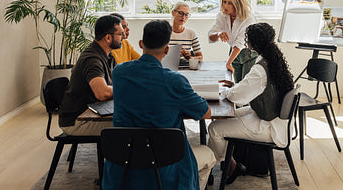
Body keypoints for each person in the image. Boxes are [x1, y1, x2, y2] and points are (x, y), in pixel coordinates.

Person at [102, 20, 216, 190]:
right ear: (167, 49)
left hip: (125, 160)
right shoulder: (175, 81)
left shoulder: (119, 73)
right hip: (166, 165)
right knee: (209, 155)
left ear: (141, 44)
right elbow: (205, 113)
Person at [207, 23, 294, 184]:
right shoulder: (272, 58)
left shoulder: (260, 68)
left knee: (214, 129)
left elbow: (238, 98)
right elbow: (248, 87)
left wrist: (225, 91)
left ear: (252, 43)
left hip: (269, 124)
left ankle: (221, 168)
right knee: (221, 119)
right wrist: (234, 87)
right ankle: (229, 162)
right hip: (271, 115)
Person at [58, 15, 123, 136]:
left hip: (91, 113)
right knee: (133, 124)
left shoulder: (108, 55)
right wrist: (127, 89)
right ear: (108, 37)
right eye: (120, 34)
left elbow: (116, 83)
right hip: (77, 121)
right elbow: (102, 93)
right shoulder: (92, 59)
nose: (123, 37)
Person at [207, 0, 257, 82]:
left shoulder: (249, 18)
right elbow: (211, 36)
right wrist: (218, 34)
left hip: (248, 53)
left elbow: (240, 43)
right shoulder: (222, 16)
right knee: (237, 85)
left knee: (245, 86)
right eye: (224, 1)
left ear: (237, 4)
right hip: (233, 52)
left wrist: (228, 62)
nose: (225, 6)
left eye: (230, 3)